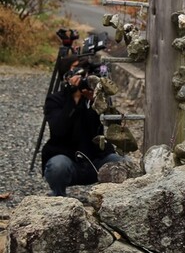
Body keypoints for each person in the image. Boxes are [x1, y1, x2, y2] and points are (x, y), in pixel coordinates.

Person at [41, 57, 123, 196]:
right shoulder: (55, 100)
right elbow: (59, 130)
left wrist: (96, 102)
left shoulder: (94, 98)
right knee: (57, 166)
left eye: (84, 72)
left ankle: (114, 201)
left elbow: (115, 125)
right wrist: (73, 100)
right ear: (66, 77)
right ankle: (58, 198)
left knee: (123, 164)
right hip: (68, 162)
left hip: (96, 160)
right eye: (76, 71)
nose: (82, 76)